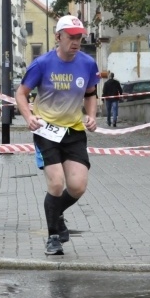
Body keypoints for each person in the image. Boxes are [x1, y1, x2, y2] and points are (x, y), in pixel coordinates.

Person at [14, 15, 100, 255]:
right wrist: (28, 117)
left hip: (73, 131)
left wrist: (92, 116)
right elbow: (21, 94)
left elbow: (90, 93)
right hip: (47, 130)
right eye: (71, 37)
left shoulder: (88, 63)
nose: (76, 42)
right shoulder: (42, 64)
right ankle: (53, 237)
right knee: (56, 183)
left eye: (79, 37)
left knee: (77, 186)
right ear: (58, 37)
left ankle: (56, 212)